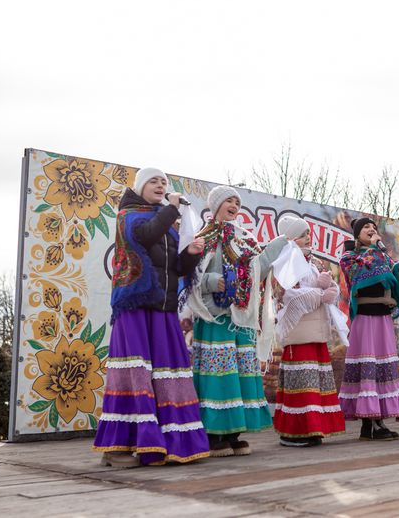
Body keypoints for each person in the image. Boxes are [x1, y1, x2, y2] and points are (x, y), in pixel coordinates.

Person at [93, 168, 209, 467]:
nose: (160, 185)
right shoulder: (129, 216)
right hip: (135, 307)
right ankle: (117, 448)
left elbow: (176, 269)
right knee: (135, 374)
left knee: (167, 375)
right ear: (141, 186)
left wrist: (192, 253)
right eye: (154, 181)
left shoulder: (167, 223)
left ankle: (169, 443)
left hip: (163, 309)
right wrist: (171, 208)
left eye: (164, 182)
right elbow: (144, 237)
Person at [182, 185, 288, 457]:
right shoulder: (201, 238)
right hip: (214, 317)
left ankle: (234, 433)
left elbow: (259, 269)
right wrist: (209, 281)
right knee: (219, 377)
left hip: (240, 319)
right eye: (228, 200)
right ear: (215, 205)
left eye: (236, 202)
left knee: (239, 376)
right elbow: (187, 276)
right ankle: (214, 434)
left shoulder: (245, 240)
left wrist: (278, 245)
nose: (234, 205)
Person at [338, 218, 399, 440]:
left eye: (374, 228)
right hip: (365, 318)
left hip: (382, 318)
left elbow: (390, 283)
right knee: (369, 367)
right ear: (357, 235)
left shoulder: (381, 256)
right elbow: (362, 275)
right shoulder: (349, 257)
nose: (371, 230)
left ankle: (376, 422)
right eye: (366, 228)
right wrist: (380, 255)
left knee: (382, 368)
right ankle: (371, 423)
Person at [271, 216, 346, 447]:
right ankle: (294, 431)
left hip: (316, 330)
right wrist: (318, 294)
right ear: (291, 238)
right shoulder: (285, 261)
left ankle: (314, 428)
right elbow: (285, 294)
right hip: (299, 331)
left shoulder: (312, 263)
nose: (308, 238)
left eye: (308, 234)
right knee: (301, 380)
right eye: (303, 235)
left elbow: (322, 288)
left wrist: (330, 288)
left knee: (316, 380)